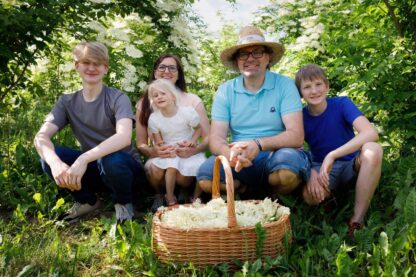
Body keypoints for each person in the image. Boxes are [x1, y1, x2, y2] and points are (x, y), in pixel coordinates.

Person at [34, 42, 142, 224]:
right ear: (77, 66)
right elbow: (41, 137)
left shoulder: (117, 98)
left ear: (106, 68)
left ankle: (124, 205)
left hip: (126, 172)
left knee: (111, 159)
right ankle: (87, 200)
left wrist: (83, 159)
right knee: (49, 156)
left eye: (98, 63)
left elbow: (124, 137)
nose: (92, 68)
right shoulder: (66, 101)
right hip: (94, 170)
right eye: (86, 62)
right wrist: (55, 164)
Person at [196, 26, 310, 198]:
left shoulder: (285, 85)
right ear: (236, 61)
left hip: (276, 154)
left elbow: (296, 136)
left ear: (268, 58)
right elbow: (216, 139)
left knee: (287, 173)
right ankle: (245, 191)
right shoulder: (225, 91)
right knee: (205, 179)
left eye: (257, 52)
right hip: (239, 156)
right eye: (243, 54)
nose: (250, 58)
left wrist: (257, 145)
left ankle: (273, 198)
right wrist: (232, 155)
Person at [295, 64, 383, 239]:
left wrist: (332, 154)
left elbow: (371, 133)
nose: (314, 91)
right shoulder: (300, 117)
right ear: (301, 93)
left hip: (353, 164)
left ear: (327, 86)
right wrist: (311, 172)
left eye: (318, 84)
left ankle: (356, 220)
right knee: (309, 196)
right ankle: (330, 198)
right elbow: (296, 148)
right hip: (323, 169)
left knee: (373, 149)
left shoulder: (342, 104)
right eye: (307, 87)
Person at [135, 54, 210, 210]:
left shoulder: (192, 101)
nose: (166, 71)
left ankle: (185, 192)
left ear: (178, 74)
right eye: (162, 67)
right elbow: (141, 143)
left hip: (186, 151)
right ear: (155, 72)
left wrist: (192, 150)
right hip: (165, 153)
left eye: (172, 68)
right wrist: (154, 151)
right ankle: (160, 194)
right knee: (154, 170)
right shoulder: (145, 103)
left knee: (183, 176)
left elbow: (208, 137)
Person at [146, 79, 206, 206]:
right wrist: (165, 149)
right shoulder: (155, 118)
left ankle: (195, 198)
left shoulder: (187, 112)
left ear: (173, 96)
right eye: (155, 96)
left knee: (202, 166)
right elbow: (159, 142)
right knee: (171, 166)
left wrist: (192, 141)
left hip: (186, 147)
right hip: (170, 148)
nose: (159, 97)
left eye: (163, 93)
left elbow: (198, 129)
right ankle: (170, 197)